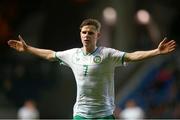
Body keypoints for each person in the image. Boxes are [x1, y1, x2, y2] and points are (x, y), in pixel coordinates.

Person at [8, 18, 176, 119]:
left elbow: (132, 56)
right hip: (81, 114)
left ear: (98, 35)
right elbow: (50, 54)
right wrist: (28, 49)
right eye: (84, 32)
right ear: (80, 34)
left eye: (90, 32)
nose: (86, 35)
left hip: (104, 114)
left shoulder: (108, 54)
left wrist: (156, 51)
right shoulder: (72, 54)